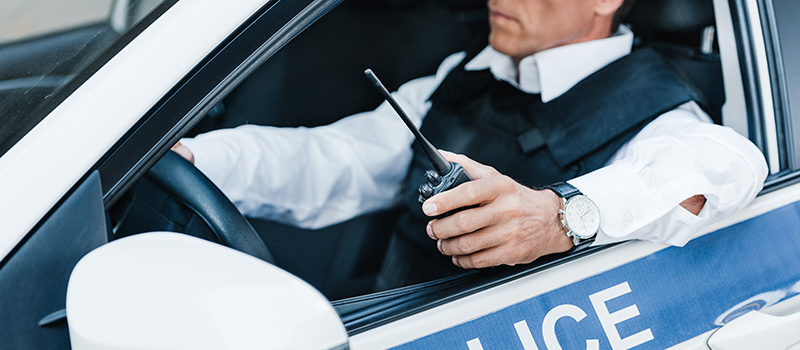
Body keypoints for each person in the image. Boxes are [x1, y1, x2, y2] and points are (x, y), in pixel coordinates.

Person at [175, 0, 767, 289]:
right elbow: (341, 159)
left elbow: (725, 165)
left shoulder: (656, 111)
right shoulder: (463, 74)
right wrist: (200, 162)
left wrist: (558, 216)